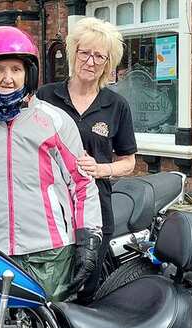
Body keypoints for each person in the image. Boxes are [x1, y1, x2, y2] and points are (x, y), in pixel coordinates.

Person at [0, 26, 103, 302]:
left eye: (16, 69)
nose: (8, 79)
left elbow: (82, 183)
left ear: (29, 73)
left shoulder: (55, 121)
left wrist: (88, 235)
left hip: (48, 251)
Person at [36, 17, 137, 300]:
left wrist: (101, 168)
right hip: (49, 209)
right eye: (85, 53)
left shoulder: (116, 105)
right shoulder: (45, 97)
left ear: (108, 63)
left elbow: (129, 162)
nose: (90, 61)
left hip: (95, 210)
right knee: (48, 287)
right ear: (73, 53)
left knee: (84, 288)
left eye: (99, 56)